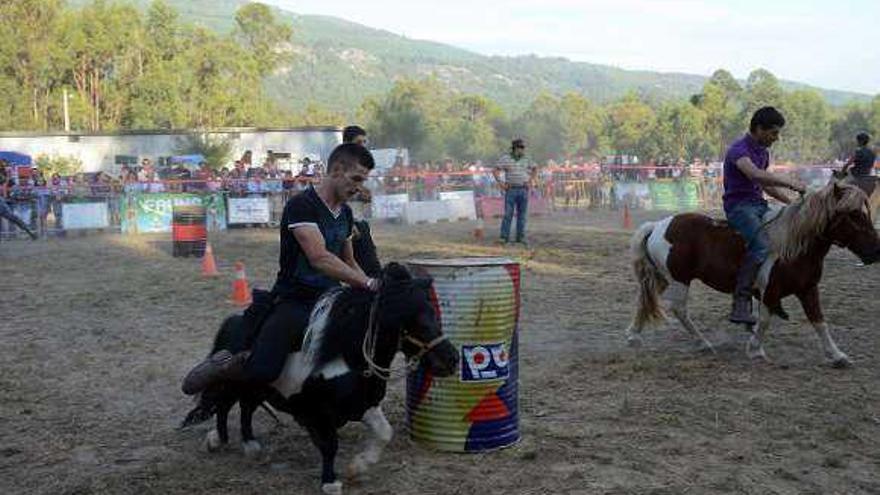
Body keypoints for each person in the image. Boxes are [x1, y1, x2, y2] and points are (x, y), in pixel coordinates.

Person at [181, 143, 379, 395]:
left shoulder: (346, 213)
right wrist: (369, 283)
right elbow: (319, 257)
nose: (359, 187)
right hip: (295, 298)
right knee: (264, 370)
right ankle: (226, 365)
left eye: (363, 181)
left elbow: (349, 261)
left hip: (330, 299)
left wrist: (371, 289)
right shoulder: (302, 205)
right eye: (356, 179)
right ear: (337, 170)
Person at [723, 106, 806, 325]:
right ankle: (740, 303)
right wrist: (790, 182)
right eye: (773, 133)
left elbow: (765, 186)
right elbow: (755, 174)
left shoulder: (763, 152)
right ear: (759, 129)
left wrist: (792, 204)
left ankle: (771, 292)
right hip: (739, 207)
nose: (776, 138)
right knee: (760, 245)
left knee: (783, 238)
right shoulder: (738, 150)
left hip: (759, 204)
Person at [493, 138, 537, 245]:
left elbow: (535, 168)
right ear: (515, 148)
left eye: (523, 147)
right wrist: (501, 183)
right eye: (521, 147)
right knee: (508, 214)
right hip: (511, 189)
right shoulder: (506, 158)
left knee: (522, 215)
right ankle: (504, 237)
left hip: (523, 189)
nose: (522, 149)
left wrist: (530, 181)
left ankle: (520, 237)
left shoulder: (527, 158)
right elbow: (495, 170)